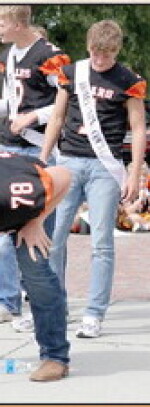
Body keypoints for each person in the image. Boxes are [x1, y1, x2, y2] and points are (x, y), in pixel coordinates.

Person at [40, 20, 146, 339]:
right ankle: (56, 303)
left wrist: (135, 173)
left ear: (117, 50)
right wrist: (44, 159)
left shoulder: (129, 80)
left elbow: (138, 127)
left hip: (106, 165)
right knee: (56, 237)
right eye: (95, 53)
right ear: (88, 48)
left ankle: (94, 312)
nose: (100, 60)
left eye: (107, 54)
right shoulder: (72, 73)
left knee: (101, 241)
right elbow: (57, 117)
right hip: (69, 160)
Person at [0, 6, 70, 328]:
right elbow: (10, 97)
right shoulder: (10, 53)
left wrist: (34, 117)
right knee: (4, 231)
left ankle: (48, 303)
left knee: (39, 233)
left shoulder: (51, 55)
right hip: (8, 147)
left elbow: (63, 102)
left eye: (1, 21)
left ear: (16, 22)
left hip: (36, 148)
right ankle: (8, 300)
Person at [0, 152, 71, 381]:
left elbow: (63, 176)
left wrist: (36, 222)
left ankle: (55, 356)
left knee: (35, 271)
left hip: (34, 206)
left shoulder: (14, 188)